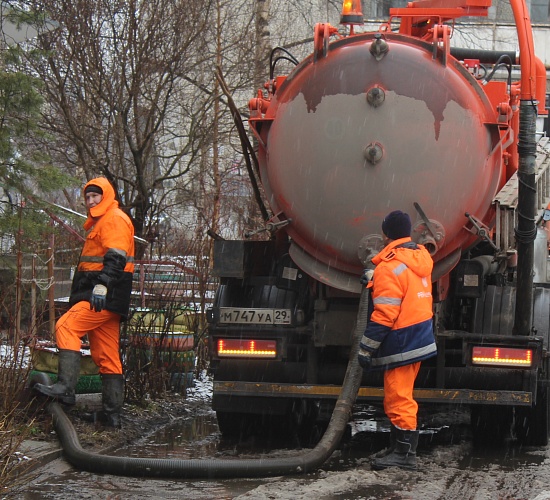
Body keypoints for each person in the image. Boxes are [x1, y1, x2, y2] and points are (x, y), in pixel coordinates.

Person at [34, 177, 135, 428]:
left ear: (107, 195)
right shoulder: (103, 222)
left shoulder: (114, 219)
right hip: (108, 299)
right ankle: (112, 415)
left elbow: (116, 257)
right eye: (88, 197)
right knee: (107, 355)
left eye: (95, 196)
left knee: (66, 327)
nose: (91, 201)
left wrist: (102, 285)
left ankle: (66, 388)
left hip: (101, 296)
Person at [357, 210, 436, 471]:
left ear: (384, 234)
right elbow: (406, 285)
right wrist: (375, 277)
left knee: (398, 397)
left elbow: (385, 313)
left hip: (402, 339)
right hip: (418, 334)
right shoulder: (418, 257)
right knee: (400, 394)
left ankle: (405, 455)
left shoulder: (390, 267)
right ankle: (399, 447)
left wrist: (367, 348)